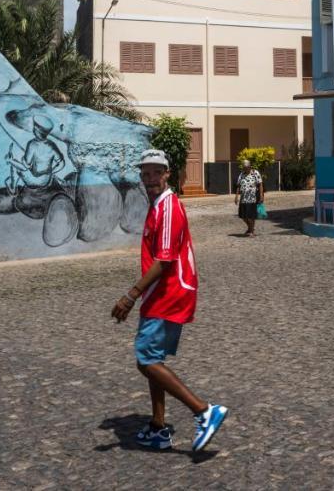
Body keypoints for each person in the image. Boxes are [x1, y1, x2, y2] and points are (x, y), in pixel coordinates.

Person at [111, 149, 228, 452]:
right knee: (154, 359)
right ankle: (159, 427)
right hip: (161, 293)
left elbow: (164, 260)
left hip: (169, 293)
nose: (149, 179)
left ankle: (204, 411)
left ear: (166, 174)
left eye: (155, 173)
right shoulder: (158, 205)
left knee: (146, 360)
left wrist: (130, 295)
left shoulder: (168, 209)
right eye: (145, 174)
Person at [233, 158, 263, 237]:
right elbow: (238, 186)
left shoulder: (255, 173)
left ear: (250, 166)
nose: (245, 169)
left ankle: (251, 231)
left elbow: (260, 184)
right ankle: (250, 228)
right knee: (243, 216)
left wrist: (261, 196)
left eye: (246, 167)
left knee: (251, 216)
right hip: (243, 198)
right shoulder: (241, 174)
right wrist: (236, 196)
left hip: (252, 198)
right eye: (244, 167)